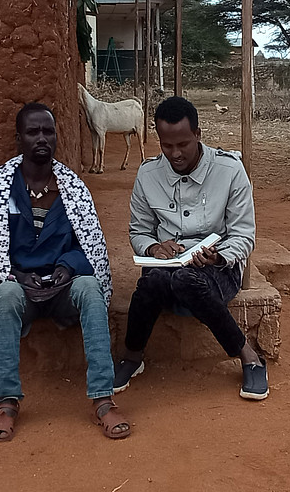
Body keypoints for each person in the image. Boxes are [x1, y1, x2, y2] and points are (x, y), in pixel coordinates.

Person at [0, 102, 130, 441]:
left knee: (90, 288)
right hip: (19, 287)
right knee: (5, 294)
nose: (42, 138)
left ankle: (103, 399)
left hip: (61, 288)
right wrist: (15, 274)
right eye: (33, 132)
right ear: (19, 139)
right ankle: (7, 403)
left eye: (48, 132)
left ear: (56, 137)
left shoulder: (73, 189)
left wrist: (68, 267)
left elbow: (90, 248)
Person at [113, 96, 268, 400]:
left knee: (186, 280)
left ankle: (249, 357)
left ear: (198, 134)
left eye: (183, 144)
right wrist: (153, 248)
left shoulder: (229, 170)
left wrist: (219, 256)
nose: (175, 153)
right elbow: (139, 231)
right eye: (167, 145)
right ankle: (132, 357)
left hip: (218, 270)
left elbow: (244, 235)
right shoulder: (148, 174)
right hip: (166, 269)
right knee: (153, 282)